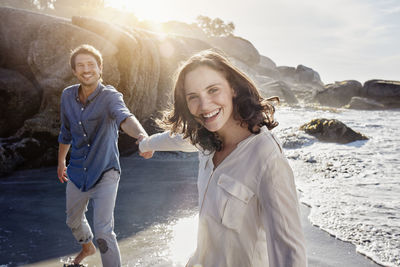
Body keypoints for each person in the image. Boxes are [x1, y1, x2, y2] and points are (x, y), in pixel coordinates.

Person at [138, 50, 307, 266]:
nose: (205, 105)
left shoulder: (266, 157)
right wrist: (146, 144)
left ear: (233, 89)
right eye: (193, 97)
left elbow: (289, 254)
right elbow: (177, 139)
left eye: (213, 90)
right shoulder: (207, 138)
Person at [57, 44, 152, 267]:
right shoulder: (67, 96)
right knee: (73, 221)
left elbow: (124, 117)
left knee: (103, 231)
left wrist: (142, 137)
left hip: (106, 171)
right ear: (74, 71)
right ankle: (86, 247)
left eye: (91, 64)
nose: (86, 69)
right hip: (77, 170)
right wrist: (61, 161)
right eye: (80, 65)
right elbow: (65, 131)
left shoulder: (110, 96)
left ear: (100, 69)